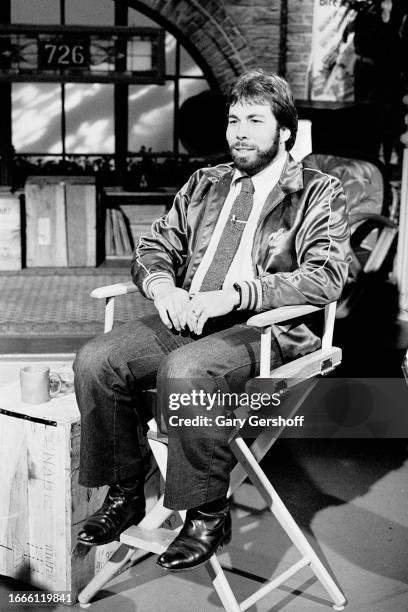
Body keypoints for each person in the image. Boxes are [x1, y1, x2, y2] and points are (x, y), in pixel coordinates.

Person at [74, 69, 351, 571]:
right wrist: (162, 286)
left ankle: (207, 513)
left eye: (255, 120)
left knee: (185, 370)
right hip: (191, 314)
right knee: (97, 358)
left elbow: (327, 276)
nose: (240, 132)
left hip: (264, 326)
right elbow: (157, 245)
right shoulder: (206, 182)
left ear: (284, 130)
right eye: (233, 120)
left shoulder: (317, 191)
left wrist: (238, 294)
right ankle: (126, 492)